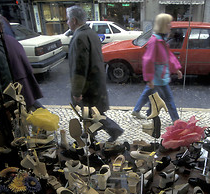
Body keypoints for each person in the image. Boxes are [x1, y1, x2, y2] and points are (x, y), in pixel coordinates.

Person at [66, 5, 123, 142]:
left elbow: (79, 68)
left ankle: (114, 129)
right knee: (90, 112)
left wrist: (77, 91)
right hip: (95, 82)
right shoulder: (90, 33)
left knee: (93, 112)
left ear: (74, 20)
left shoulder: (80, 37)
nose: (67, 22)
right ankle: (91, 134)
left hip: (87, 86)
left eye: (68, 19)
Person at [0, 9, 43, 111]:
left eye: (1, 21)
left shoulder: (6, 38)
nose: (2, 24)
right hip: (6, 94)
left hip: (21, 87)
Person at [131, 13, 182, 123]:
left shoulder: (160, 40)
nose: (171, 25)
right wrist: (149, 78)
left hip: (159, 76)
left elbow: (168, 56)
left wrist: (176, 69)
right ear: (163, 25)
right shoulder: (156, 41)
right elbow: (148, 60)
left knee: (149, 93)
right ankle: (176, 120)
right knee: (168, 99)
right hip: (158, 77)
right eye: (168, 23)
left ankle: (141, 111)